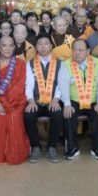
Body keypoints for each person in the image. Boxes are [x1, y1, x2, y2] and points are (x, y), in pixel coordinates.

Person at [0, 36, 30, 166]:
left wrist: (7, 103)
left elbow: (20, 85)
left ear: (14, 47)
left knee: (14, 117)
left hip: (16, 101)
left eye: (10, 46)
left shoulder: (21, 64)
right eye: (4, 45)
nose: (7, 48)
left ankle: (14, 154)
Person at [58, 39, 98, 160]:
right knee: (68, 114)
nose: (77, 52)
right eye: (75, 50)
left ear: (88, 51)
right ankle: (72, 148)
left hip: (93, 100)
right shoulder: (66, 64)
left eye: (81, 50)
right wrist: (67, 104)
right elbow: (63, 84)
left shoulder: (97, 63)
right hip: (74, 100)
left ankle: (97, 148)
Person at [24, 34, 65, 163]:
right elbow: (29, 84)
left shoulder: (60, 63)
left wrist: (56, 99)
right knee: (28, 115)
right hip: (36, 100)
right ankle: (35, 147)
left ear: (51, 46)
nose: (43, 47)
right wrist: (30, 100)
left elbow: (61, 84)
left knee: (58, 115)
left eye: (46, 44)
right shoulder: (30, 63)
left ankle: (52, 147)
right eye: (40, 44)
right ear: (36, 47)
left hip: (53, 101)